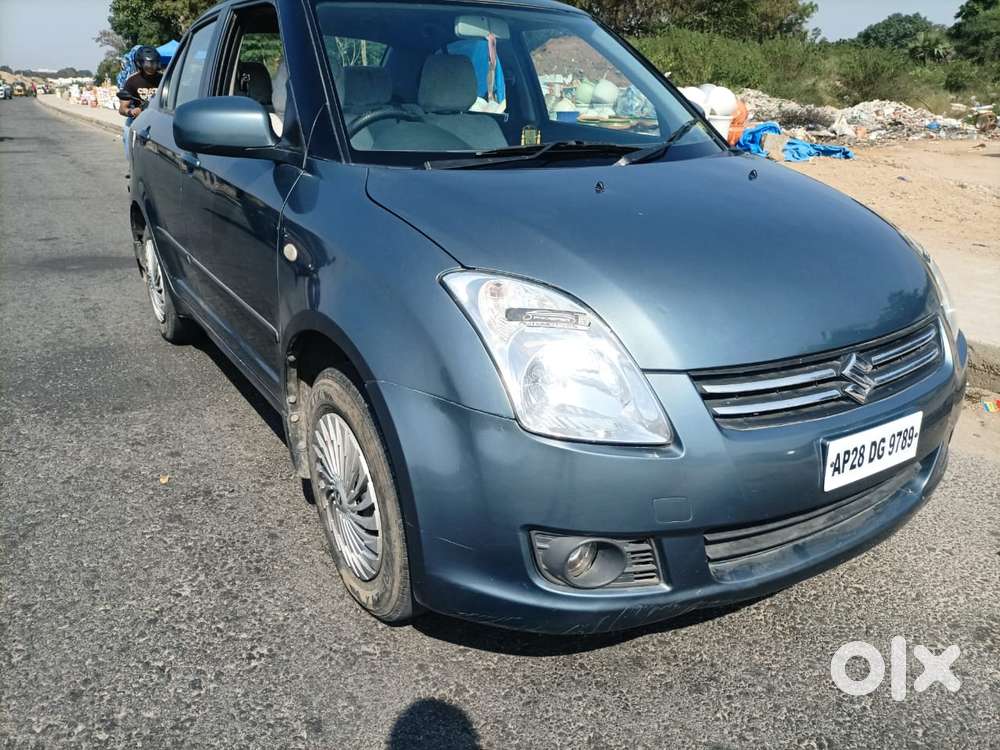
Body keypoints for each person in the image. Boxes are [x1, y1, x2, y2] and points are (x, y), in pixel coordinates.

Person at [118, 46, 162, 159]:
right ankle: (132, 166)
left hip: (159, 119)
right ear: (140, 63)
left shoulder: (164, 80)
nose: (151, 67)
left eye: (154, 63)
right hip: (137, 120)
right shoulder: (132, 81)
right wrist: (131, 111)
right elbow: (122, 108)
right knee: (128, 135)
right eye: (148, 64)